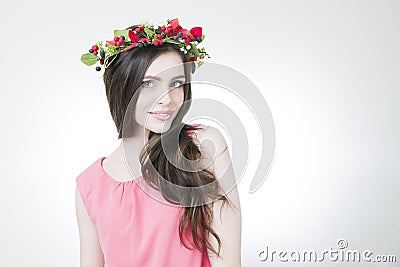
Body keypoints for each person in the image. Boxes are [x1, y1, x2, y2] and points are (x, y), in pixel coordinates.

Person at [75, 18, 242, 267]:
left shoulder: (203, 145)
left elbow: (227, 259)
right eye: (149, 83)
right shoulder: (88, 185)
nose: (166, 99)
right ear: (122, 86)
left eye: (176, 83)